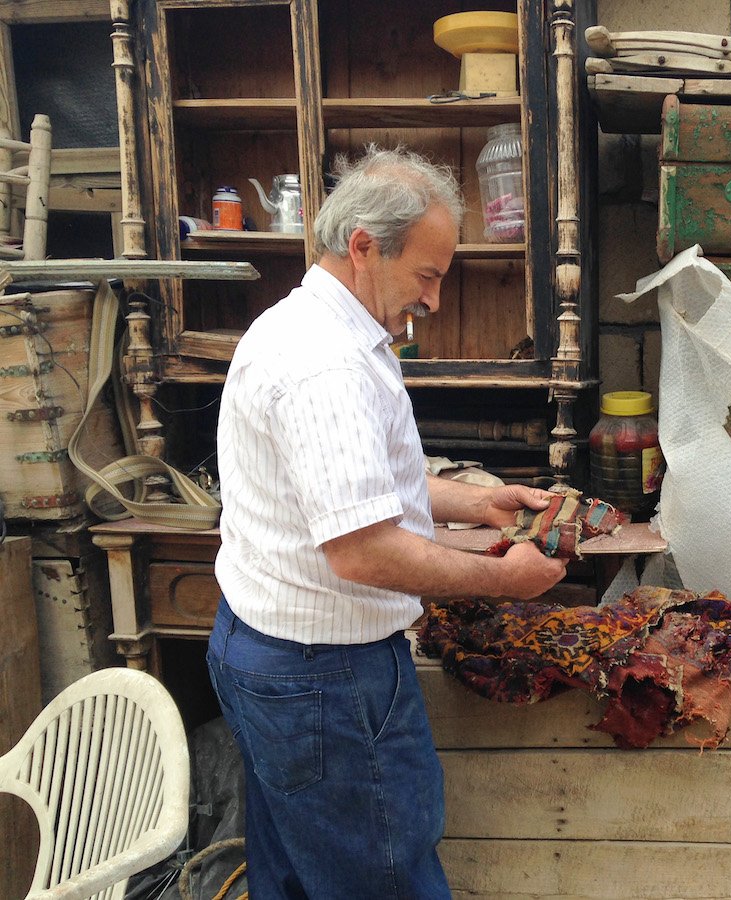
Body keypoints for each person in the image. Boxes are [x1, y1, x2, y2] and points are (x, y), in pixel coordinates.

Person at [206, 146, 567, 899]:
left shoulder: (311, 326)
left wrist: (476, 501)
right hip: (325, 681)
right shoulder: (326, 365)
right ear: (364, 248)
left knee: (295, 879)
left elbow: (360, 491)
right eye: (428, 276)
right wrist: (504, 581)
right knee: (383, 882)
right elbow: (365, 551)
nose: (434, 300)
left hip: (265, 650)